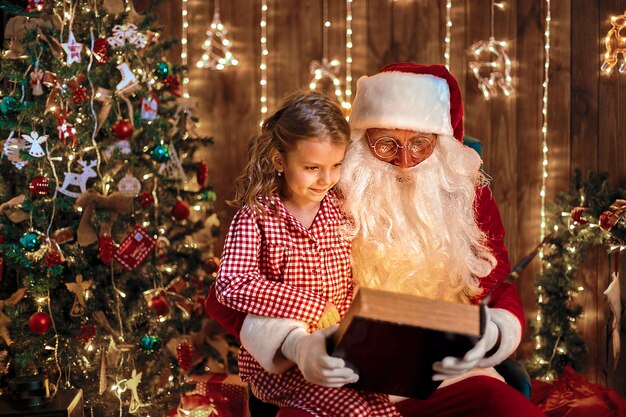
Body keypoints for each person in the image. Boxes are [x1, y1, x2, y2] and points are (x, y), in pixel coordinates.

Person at [207, 63, 546, 417]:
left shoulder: (463, 193)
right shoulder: (327, 188)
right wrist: (295, 345)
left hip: (448, 374)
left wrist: (493, 331)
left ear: (441, 143)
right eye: (386, 145)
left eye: (420, 144)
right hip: (349, 375)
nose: (404, 161)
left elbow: (497, 277)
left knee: (507, 410)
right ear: (362, 143)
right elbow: (228, 293)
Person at [214, 91, 401, 416]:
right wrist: (311, 306)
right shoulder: (257, 216)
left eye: (336, 165)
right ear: (279, 160)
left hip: (339, 353)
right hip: (281, 364)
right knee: (353, 411)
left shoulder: (341, 212)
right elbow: (231, 284)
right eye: (312, 167)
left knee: (384, 409)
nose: (326, 179)